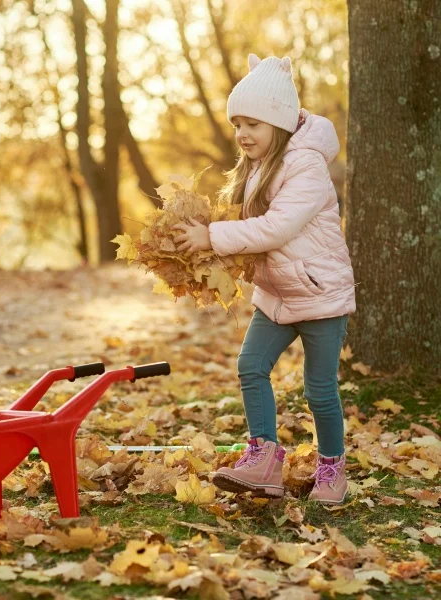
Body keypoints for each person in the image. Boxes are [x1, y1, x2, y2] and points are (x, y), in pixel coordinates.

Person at [172, 53, 356, 505]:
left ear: (279, 122)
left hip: (319, 295)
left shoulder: (306, 166)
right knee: (250, 367)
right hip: (276, 295)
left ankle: (332, 466)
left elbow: (276, 228)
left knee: (320, 390)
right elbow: (249, 226)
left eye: (252, 123)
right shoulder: (255, 168)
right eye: (237, 124)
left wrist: (211, 237)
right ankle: (264, 457)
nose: (242, 134)